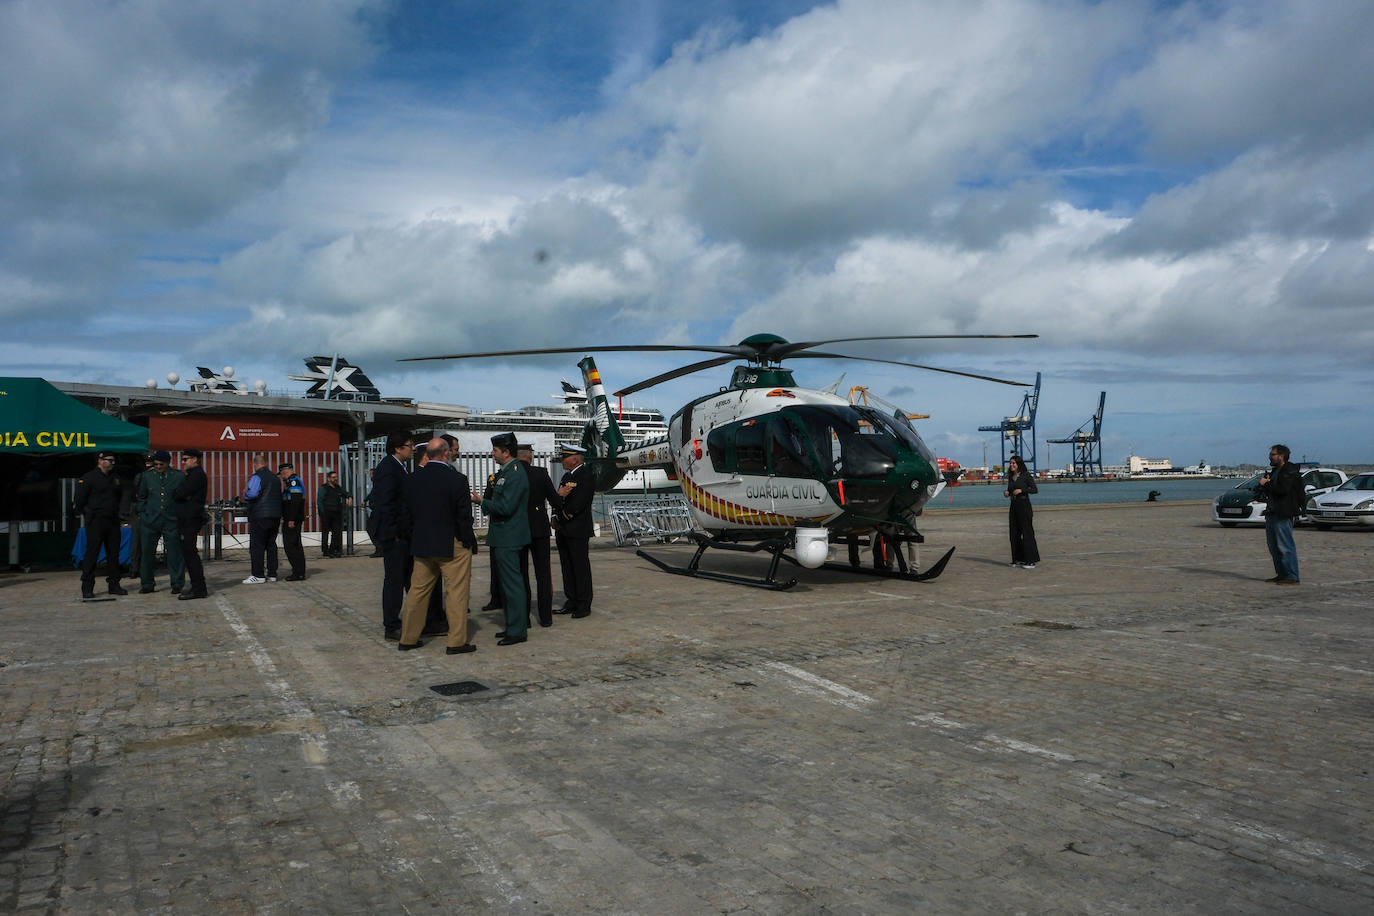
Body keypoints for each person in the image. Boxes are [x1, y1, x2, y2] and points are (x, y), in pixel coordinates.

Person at [397, 438, 479, 654]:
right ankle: (456, 642)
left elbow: (405, 516)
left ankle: (408, 638)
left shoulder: (412, 479)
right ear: (445, 454)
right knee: (456, 592)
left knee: (417, 592)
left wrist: (414, 536)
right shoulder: (457, 479)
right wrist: (467, 540)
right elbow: (463, 516)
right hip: (451, 543)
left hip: (422, 543)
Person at [472, 433, 530, 645]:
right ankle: (512, 625)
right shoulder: (507, 472)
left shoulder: (514, 473)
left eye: (495, 450)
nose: (492, 453)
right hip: (504, 535)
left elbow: (506, 507)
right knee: (507, 585)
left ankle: (517, 631)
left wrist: (481, 502)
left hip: (509, 535)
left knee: (513, 585)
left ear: (506, 452)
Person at [373, 431, 416, 640]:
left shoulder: (399, 467)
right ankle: (391, 624)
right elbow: (386, 504)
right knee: (394, 580)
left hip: (403, 533)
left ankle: (412, 618)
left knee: (406, 578)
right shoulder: (389, 469)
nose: (413, 448)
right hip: (396, 536)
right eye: (409, 445)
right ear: (398, 448)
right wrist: (394, 533)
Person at [74, 451, 129, 599]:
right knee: (92, 554)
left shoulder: (115, 478)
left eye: (113, 460)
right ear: (100, 460)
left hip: (112, 520)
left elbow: (121, 495)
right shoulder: (89, 478)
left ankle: (114, 584)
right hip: (96, 521)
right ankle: (87, 586)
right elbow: (79, 499)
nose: (112, 463)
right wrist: (88, 513)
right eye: (109, 460)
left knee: (114, 554)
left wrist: (121, 513)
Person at [518, 444, 559, 628]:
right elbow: (555, 500)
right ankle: (545, 617)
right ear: (530, 456)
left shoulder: (510, 473)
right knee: (543, 575)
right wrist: (562, 495)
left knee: (521, 575)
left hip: (518, 529)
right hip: (539, 527)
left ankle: (524, 618)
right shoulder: (541, 473)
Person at [553, 443, 595, 618]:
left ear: (575, 459)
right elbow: (559, 500)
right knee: (567, 568)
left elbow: (578, 505)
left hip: (577, 529)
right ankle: (571, 600)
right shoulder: (566, 477)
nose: (562, 460)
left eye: (565, 457)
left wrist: (560, 518)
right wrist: (555, 516)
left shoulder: (586, 476)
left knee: (580, 568)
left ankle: (583, 604)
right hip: (563, 530)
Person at [136, 450, 186, 594]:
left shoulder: (178, 476)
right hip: (150, 520)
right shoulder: (147, 476)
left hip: (171, 520)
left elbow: (183, 496)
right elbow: (142, 497)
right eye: (156, 464)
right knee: (147, 553)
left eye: (161, 464)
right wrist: (142, 513)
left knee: (174, 553)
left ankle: (177, 583)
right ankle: (147, 583)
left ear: (168, 463)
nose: (158, 466)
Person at [1257, 444, 1302, 585]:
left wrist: (1266, 484)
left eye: (1273, 454)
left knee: (1285, 545)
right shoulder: (1275, 471)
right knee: (1274, 546)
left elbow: (1283, 489)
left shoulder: (1289, 471)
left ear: (1281, 456)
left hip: (1283, 512)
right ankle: (1282, 574)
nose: (1270, 457)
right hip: (1272, 512)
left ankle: (1292, 576)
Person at [173, 448, 209, 600]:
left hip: (190, 519)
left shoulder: (197, 475)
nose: (183, 462)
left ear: (195, 459)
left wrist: (179, 493)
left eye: (186, 459)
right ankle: (197, 586)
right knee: (188, 554)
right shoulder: (192, 475)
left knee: (190, 554)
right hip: (187, 518)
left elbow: (179, 493)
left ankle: (199, 588)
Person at [242, 452, 282, 584]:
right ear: (265, 463)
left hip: (260, 515)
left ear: (255, 464)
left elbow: (252, 494)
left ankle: (258, 575)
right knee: (271, 544)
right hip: (275, 515)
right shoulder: (275, 478)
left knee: (257, 545)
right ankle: (272, 574)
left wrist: (245, 493)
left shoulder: (257, 476)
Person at [1003, 455, 1040, 569]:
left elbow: (1034, 490)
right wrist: (1006, 492)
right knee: (1014, 533)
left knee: (1027, 533)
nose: (1011, 465)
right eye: (1010, 463)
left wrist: (1022, 490)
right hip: (1014, 506)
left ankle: (1030, 561)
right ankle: (1017, 559)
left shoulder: (1026, 475)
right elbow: (1010, 489)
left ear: (1019, 464)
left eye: (1014, 463)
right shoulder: (1010, 476)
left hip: (1024, 506)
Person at [278, 462, 307, 581]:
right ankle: (299, 572)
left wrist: (291, 519)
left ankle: (297, 572)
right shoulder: (292, 481)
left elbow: (296, 501)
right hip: (292, 519)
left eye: (281, 474)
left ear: (285, 472)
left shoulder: (293, 481)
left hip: (292, 520)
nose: (281, 477)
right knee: (296, 546)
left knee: (291, 546)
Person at [318, 469, 351, 558]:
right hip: (326, 513)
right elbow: (320, 501)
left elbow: (346, 493)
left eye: (336, 477)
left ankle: (333, 550)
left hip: (336, 513)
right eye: (333, 477)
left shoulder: (338, 488)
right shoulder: (324, 488)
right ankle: (325, 551)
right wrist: (322, 513)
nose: (335, 479)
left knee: (336, 532)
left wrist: (349, 497)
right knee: (325, 533)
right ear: (328, 479)